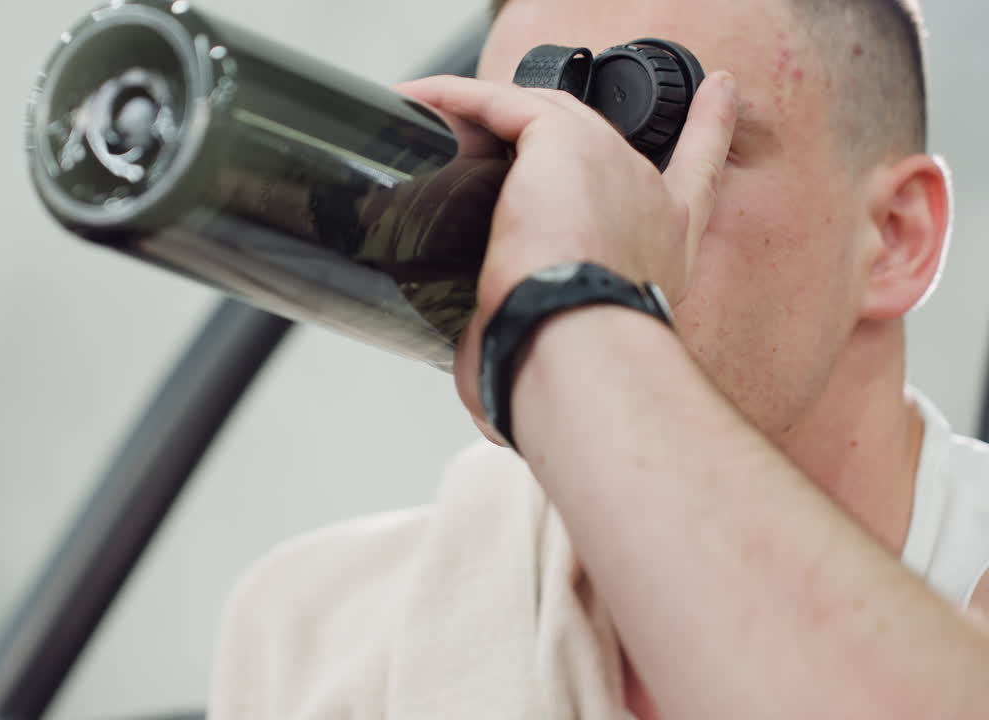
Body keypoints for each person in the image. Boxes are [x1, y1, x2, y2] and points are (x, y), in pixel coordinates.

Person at [210, 0, 989, 717]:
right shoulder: (314, 635)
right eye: (511, 155)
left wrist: (574, 307)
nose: (547, 208)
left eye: (651, 143)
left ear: (894, 237)